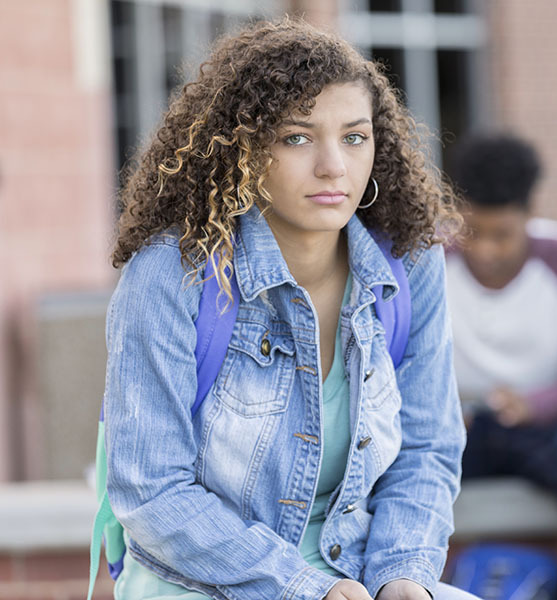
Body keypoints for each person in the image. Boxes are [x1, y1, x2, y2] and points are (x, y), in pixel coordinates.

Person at [102, 17, 475, 600]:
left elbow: (427, 450)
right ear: (243, 148)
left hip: (358, 575)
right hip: (203, 581)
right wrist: (303, 588)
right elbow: (151, 491)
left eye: (354, 137)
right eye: (297, 137)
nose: (334, 166)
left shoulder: (410, 263)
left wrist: (404, 576)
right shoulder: (175, 274)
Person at [446, 133, 557, 600]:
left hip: (545, 427)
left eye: (502, 234)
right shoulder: (430, 260)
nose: (485, 249)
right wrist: (443, 411)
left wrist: (533, 404)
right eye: (473, 232)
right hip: (459, 430)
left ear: (529, 216)